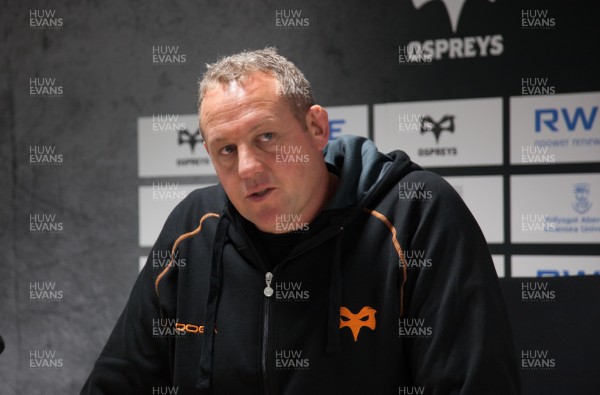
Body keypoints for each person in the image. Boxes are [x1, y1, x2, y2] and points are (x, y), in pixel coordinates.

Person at [82, 48, 520, 394]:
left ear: (316, 128)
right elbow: (119, 380)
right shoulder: (193, 228)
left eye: (266, 137)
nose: (248, 168)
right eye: (227, 150)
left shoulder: (417, 211)